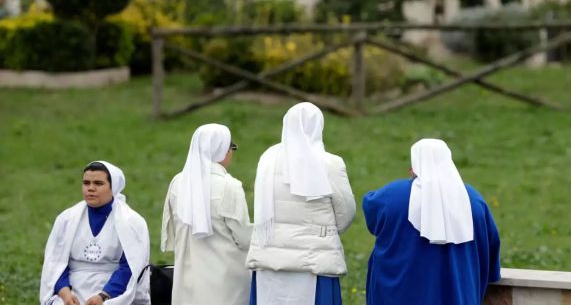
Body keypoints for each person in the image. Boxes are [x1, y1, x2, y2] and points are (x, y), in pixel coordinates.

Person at [363, 139, 501, 305]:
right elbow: (491, 242)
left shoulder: (392, 195)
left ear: (414, 166)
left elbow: (371, 212)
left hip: (400, 293)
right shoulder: (472, 199)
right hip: (456, 292)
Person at [246, 102, 356, 305]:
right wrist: (325, 232)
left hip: (270, 256)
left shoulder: (268, 159)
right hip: (314, 260)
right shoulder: (330, 163)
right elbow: (346, 212)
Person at [162, 124, 253, 305]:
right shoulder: (230, 186)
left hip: (186, 278)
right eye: (231, 148)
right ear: (222, 151)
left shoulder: (178, 183)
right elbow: (243, 238)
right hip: (225, 280)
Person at [40, 161, 150, 305]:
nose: (90, 188)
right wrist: (65, 293)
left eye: (98, 183)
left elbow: (131, 267)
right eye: (86, 183)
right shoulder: (67, 219)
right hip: (71, 289)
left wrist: (103, 296)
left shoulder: (132, 222)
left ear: (113, 187)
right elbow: (55, 262)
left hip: (113, 291)